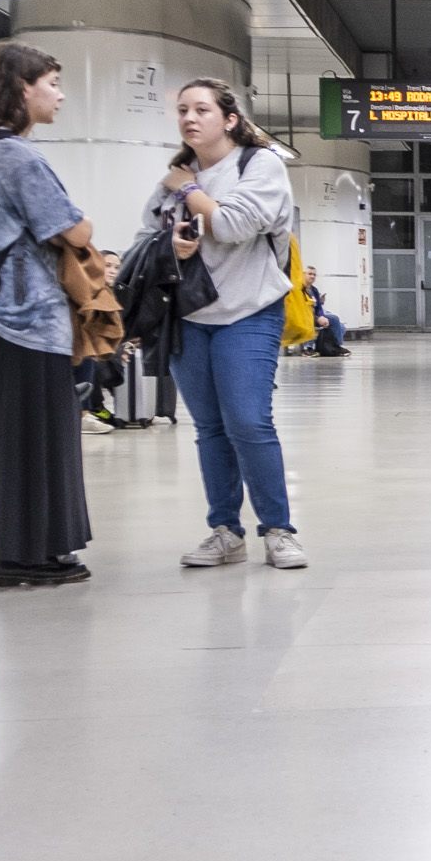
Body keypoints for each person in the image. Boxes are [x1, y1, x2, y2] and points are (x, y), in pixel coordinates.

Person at [147, 77, 306, 569]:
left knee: (248, 421)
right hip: (188, 316)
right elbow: (144, 232)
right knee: (210, 428)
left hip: (249, 312)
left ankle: (278, 530)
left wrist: (190, 191)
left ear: (230, 119)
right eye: (182, 111)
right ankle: (224, 530)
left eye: (201, 110)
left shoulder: (260, 165)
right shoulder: (175, 174)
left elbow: (233, 225)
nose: (190, 119)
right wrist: (170, 242)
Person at [0, 40, 97, 588]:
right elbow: (72, 230)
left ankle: (33, 549)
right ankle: (26, 556)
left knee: (30, 438)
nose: (60, 95)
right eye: (52, 84)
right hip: (28, 316)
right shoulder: (15, 156)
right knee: (39, 439)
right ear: (22, 88)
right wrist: (83, 222)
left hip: (9, 315)